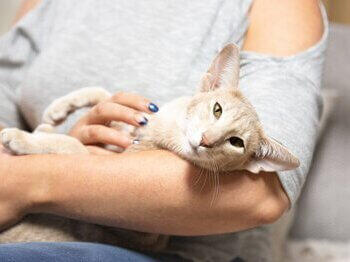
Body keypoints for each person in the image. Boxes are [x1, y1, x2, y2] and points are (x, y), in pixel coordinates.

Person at [0, 0, 327, 261]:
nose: (207, 138)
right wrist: (64, 144)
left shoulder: (282, 7)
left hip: (162, 249)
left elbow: (259, 196)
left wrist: (31, 179)